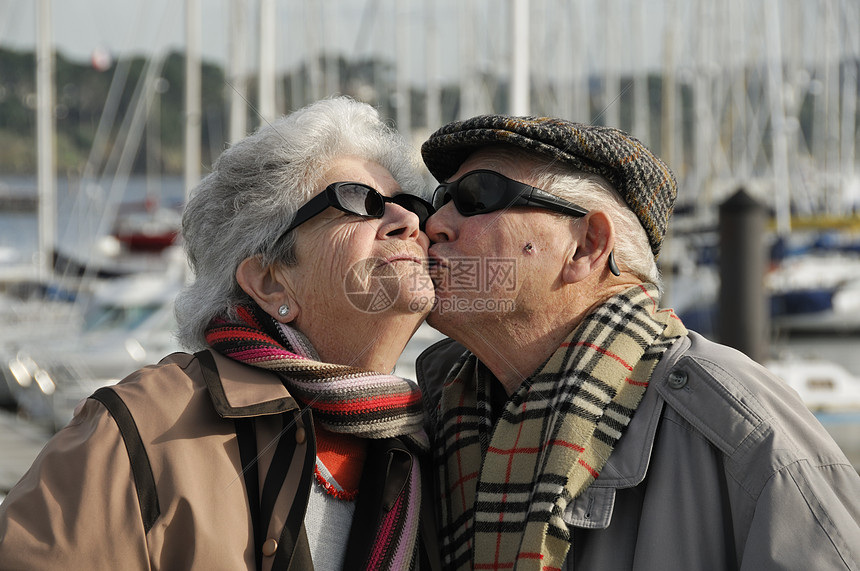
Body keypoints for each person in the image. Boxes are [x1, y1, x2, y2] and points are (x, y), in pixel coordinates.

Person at [0, 97, 441, 570]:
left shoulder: (440, 442)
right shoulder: (137, 430)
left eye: (410, 204)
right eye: (361, 202)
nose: (409, 222)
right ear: (271, 282)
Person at [415, 114, 860, 570]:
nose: (434, 225)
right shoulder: (434, 422)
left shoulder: (739, 430)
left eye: (476, 196)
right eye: (439, 201)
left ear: (587, 245)